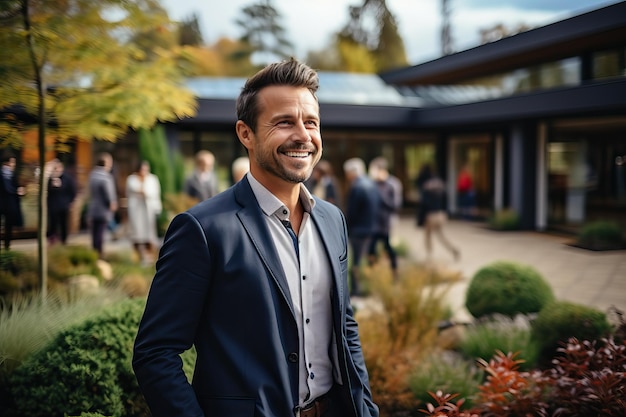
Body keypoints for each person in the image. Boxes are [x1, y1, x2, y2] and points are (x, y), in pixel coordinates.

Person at [133, 58, 379, 417]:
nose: (303, 135)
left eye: (311, 122)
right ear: (245, 133)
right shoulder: (202, 230)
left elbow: (344, 326)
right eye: (284, 122)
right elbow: (156, 353)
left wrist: (366, 408)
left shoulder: (332, 220)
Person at [343, 157, 380, 297]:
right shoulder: (371, 184)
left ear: (352, 172)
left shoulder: (357, 186)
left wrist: (346, 226)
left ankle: (357, 290)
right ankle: (369, 287)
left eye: (346, 172)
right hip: (371, 227)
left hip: (358, 229)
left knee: (356, 262)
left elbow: (352, 211)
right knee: (368, 258)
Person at [367, 157, 400, 278]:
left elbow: (395, 205)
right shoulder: (372, 184)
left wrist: (380, 194)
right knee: (371, 249)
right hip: (373, 223)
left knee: (389, 248)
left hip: (385, 223)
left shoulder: (391, 185)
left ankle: (394, 272)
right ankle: (372, 274)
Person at [125, 161, 162, 264]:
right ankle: (138, 255)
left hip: (148, 209)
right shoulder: (132, 178)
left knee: (149, 232)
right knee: (137, 232)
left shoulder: (152, 179)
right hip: (136, 209)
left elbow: (155, 192)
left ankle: (150, 256)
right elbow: (132, 190)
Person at [421, 168, 460, 261]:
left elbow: (424, 205)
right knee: (441, 236)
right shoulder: (442, 188)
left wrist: (421, 218)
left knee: (428, 236)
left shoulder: (427, 188)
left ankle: (429, 256)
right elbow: (446, 203)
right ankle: (453, 250)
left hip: (431, 216)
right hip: (441, 215)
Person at [87, 152, 117, 258]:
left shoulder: (92, 175)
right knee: (100, 234)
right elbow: (108, 194)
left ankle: (93, 254)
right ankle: (99, 255)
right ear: (107, 163)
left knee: (94, 234)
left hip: (93, 208)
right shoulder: (105, 177)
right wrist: (112, 203)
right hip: (103, 210)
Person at [47, 159, 77, 245]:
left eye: (57, 168)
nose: (56, 170)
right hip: (53, 206)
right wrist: (52, 186)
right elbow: (47, 192)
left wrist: (70, 202)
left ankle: (64, 241)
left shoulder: (67, 178)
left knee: (63, 224)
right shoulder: (50, 179)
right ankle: (52, 241)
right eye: (55, 168)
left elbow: (72, 191)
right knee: (53, 224)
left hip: (64, 206)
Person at [0, 152, 25, 252]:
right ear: (7, 163)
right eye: (13, 162)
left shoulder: (12, 175)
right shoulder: (3, 174)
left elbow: (15, 186)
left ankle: (7, 246)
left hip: (10, 205)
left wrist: (20, 190)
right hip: (2, 204)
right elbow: (7, 189)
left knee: (8, 226)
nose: (14, 164)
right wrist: (16, 191)